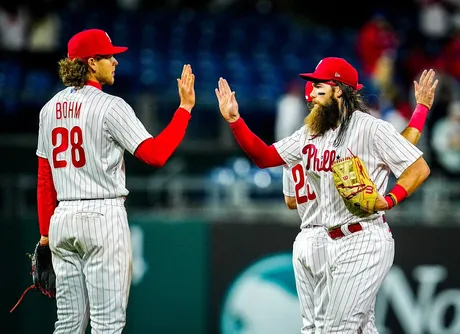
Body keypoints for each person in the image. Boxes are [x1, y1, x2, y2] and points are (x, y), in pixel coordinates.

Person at [215, 57, 436, 333]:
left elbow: (417, 167)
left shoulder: (370, 127)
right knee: (355, 329)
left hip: (364, 237)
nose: (313, 91)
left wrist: (389, 200)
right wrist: (236, 121)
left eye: (320, 85)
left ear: (340, 90)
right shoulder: (310, 132)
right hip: (329, 241)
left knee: (335, 329)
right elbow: (265, 157)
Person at [35, 28, 195, 333]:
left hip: (61, 220)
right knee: (108, 325)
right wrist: (184, 109)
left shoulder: (48, 109)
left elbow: (45, 181)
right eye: (109, 56)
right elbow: (156, 155)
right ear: (92, 62)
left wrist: (45, 237)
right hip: (103, 217)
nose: (116, 62)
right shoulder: (111, 106)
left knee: (68, 324)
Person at [283, 76, 436, 333]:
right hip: (332, 235)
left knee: (325, 327)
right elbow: (398, 153)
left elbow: (290, 201)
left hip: (310, 236)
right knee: (344, 327)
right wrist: (420, 112)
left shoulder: (298, 144)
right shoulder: (341, 142)